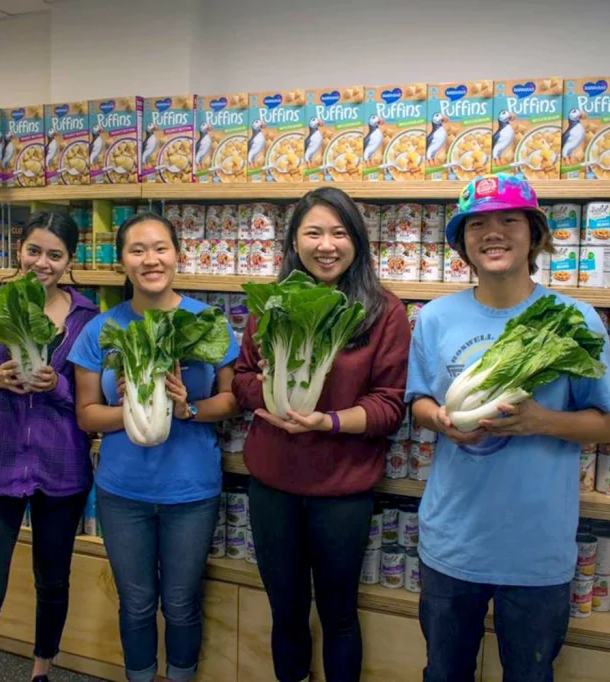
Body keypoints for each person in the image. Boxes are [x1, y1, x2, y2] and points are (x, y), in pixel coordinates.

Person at [405, 173, 610, 682]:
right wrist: (439, 419)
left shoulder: (575, 319)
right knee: (443, 672)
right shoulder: (436, 318)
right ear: (462, 242)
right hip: (451, 540)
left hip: (535, 547)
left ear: (534, 234)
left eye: (509, 220)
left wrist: (539, 421)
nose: (493, 233)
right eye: (477, 224)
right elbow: (418, 401)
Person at [232, 187, 410, 682]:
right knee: (286, 613)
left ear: (357, 242)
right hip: (273, 486)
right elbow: (242, 379)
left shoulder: (384, 311)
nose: (325, 245)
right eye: (313, 232)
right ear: (295, 241)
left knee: (339, 616)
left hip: (342, 491)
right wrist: (267, 386)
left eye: (339, 232)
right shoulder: (272, 302)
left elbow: (389, 406)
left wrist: (326, 421)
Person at [70, 212, 240, 682]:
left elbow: (230, 401)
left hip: (191, 490)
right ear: (122, 261)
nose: (151, 259)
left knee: (183, 603)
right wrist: (133, 408)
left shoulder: (207, 323)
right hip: (123, 491)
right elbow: (86, 415)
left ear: (178, 255)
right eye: (137, 250)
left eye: (160, 248)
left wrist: (184, 407)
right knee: (138, 602)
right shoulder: (100, 330)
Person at [0, 211, 98, 682]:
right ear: (19, 249)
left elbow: (95, 401)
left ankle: (41, 672)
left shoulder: (86, 317)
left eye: (55, 254)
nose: (42, 262)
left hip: (62, 470)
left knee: (53, 581)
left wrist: (56, 385)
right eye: (34, 250)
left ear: (70, 260)